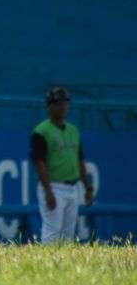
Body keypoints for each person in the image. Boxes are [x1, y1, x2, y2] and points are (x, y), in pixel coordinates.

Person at [31, 87, 94, 243]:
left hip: (73, 187)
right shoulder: (41, 131)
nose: (63, 107)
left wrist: (88, 187)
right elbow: (39, 163)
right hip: (54, 186)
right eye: (58, 103)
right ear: (49, 106)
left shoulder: (73, 130)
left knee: (68, 235)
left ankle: (62, 266)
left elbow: (79, 160)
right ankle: (45, 265)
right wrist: (48, 191)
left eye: (66, 103)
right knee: (52, 231)